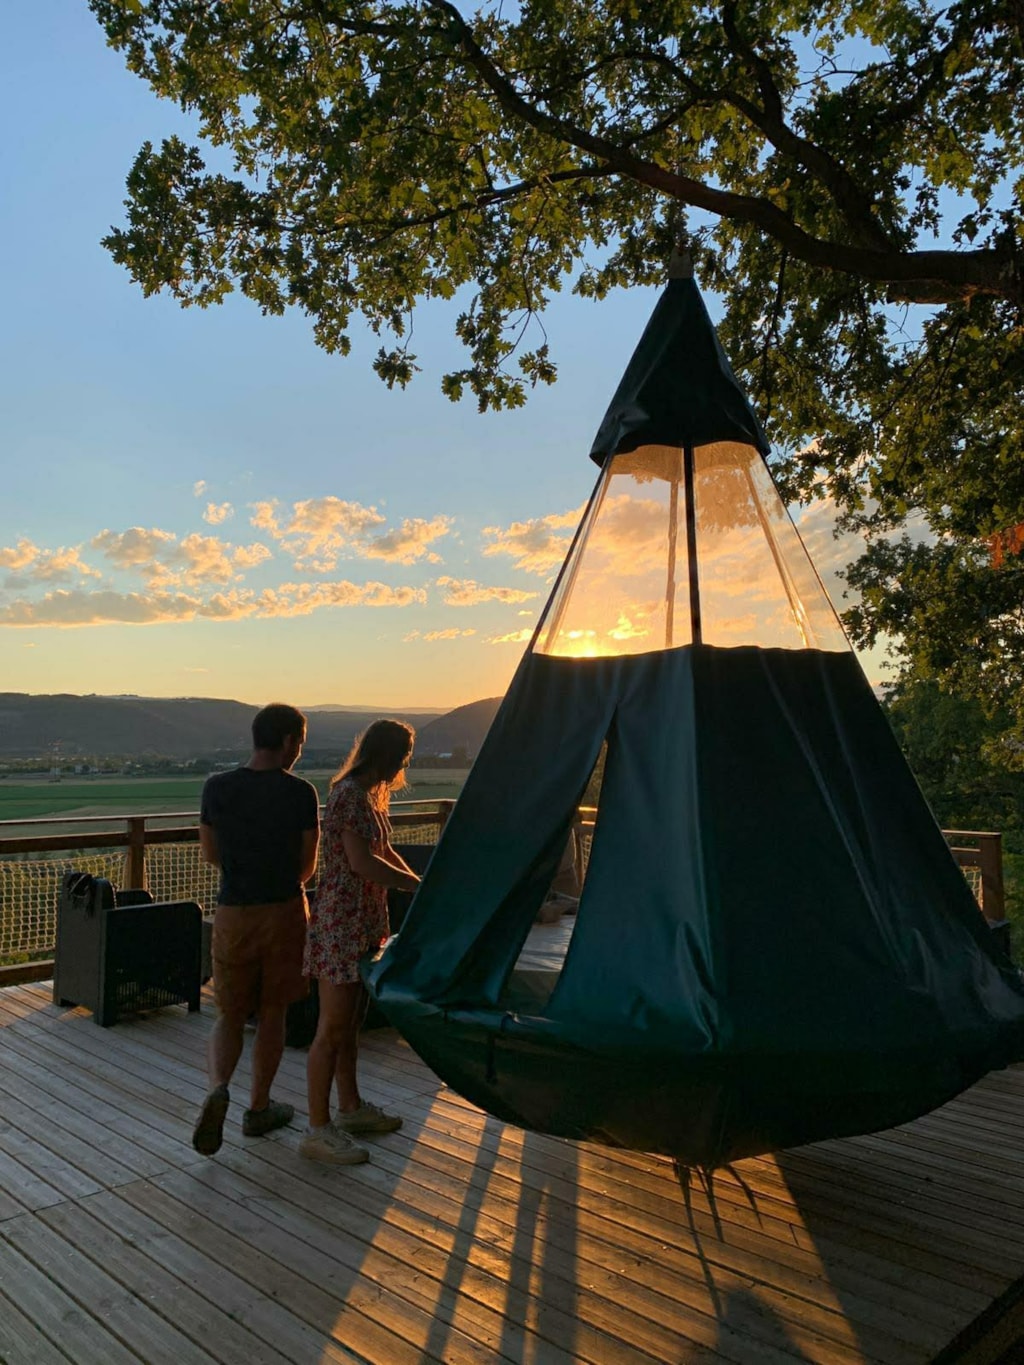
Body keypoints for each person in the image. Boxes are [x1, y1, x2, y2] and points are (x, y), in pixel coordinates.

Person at [192, 702, 320, 1156]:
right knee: (273, 1012)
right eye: (299, 743)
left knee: (229, 1013)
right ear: (288, 741)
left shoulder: (217, 788)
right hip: (283, 912)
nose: (299, 752)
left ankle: (217, 1088)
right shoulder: (301, 793)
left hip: (234, 912)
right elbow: (307, 866)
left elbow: (211, 855)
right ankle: (259, 1107)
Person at [300, 719, 421, 1165]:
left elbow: (384, 852)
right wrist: (417, 887)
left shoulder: (369, 797)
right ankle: (317, 1129)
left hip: (364, 923)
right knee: (331, 1030)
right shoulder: (350, 795)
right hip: (342, 924)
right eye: (402, 757)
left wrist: (420, 882)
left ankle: (349, 1108)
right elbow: (361, 863)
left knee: (351, 1024)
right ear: (386, 755)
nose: (403, 765)